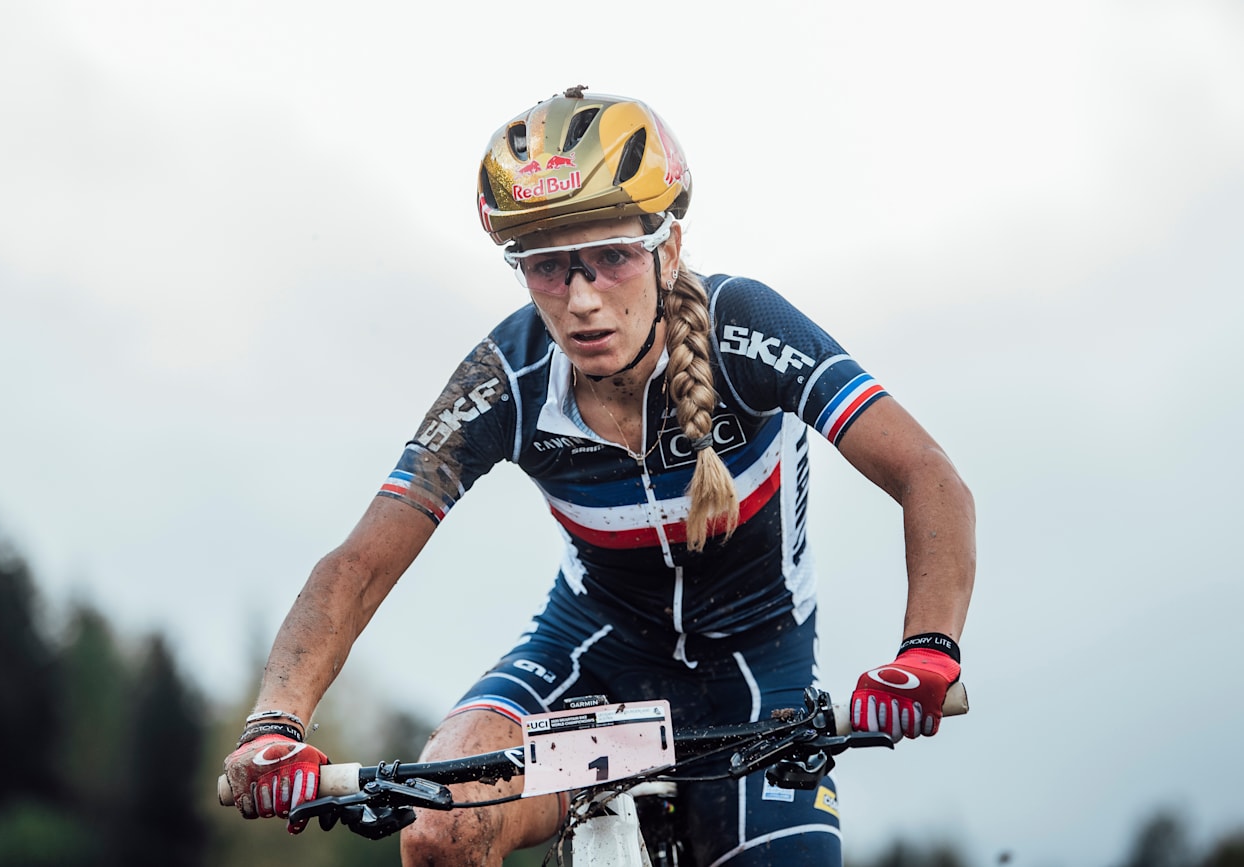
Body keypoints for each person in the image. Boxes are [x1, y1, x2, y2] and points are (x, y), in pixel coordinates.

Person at [221, 86, 976, 866]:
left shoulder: (745, 328)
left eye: (612, 258)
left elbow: (927, 474)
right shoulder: (506, 374)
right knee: (443, 824)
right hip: (596, 674)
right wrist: (275, 724)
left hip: (757, 685)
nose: (582, 300)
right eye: (548, 268)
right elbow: (360, 563)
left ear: (668, 248)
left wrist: (926, 646)